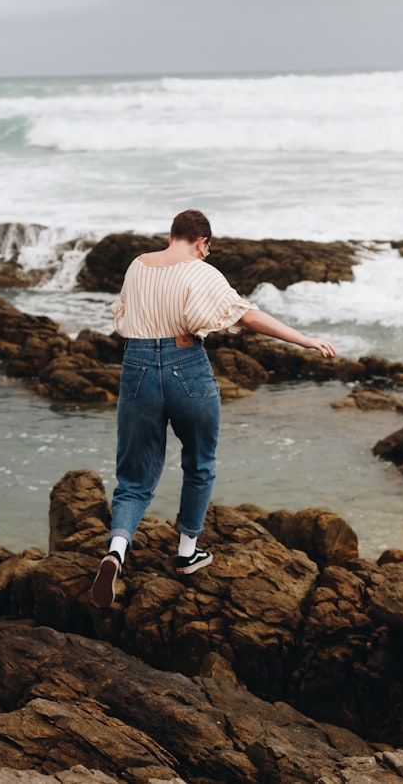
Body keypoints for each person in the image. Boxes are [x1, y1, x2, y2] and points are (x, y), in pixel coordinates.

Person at [92, 209, 336, 607]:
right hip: (186, 366)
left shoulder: (137, 266)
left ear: (172, 234)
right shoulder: (202, 271)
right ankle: (187, 553)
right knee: (199, 461)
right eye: (207, 248)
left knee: (134, 476)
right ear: (202, 242)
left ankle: (117, 549)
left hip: (136, 367)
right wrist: (304, 340)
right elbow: (248, 316)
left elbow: (125, 314)